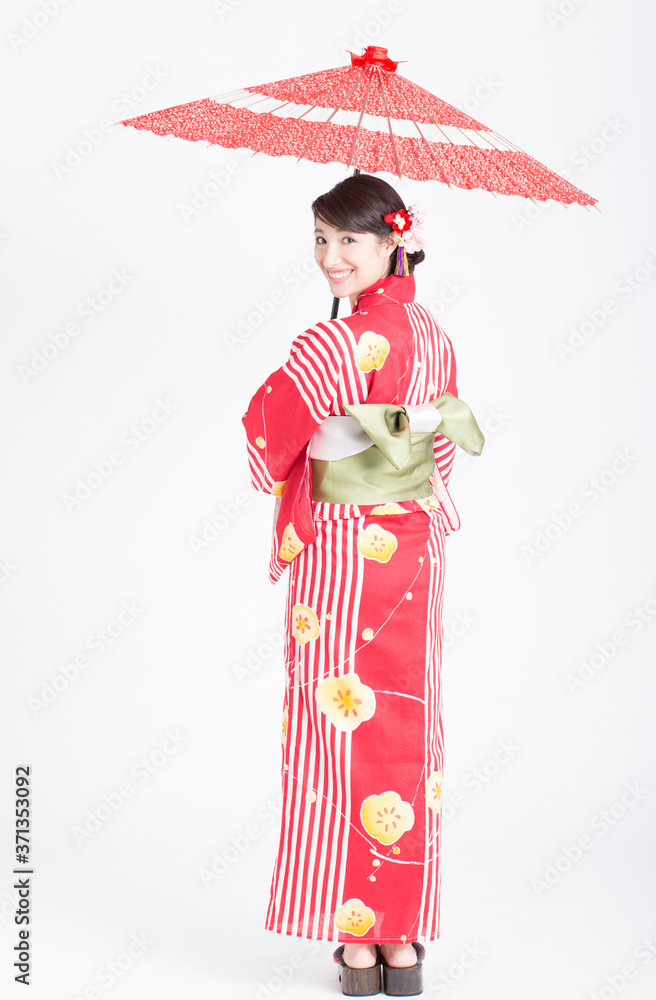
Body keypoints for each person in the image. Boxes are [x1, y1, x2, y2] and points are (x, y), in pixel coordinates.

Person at [241, 173, 484, 997]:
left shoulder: (329, 343)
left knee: (338, 731)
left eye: (348, 239)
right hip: (413, 549)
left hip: (344, 556)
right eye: (319, 238)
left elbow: (267, 435)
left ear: (392, 244)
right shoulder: (433, 333)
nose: (329, 257)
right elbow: (440, 447)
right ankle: (402, 942)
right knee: (406, 728)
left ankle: (356, 943)